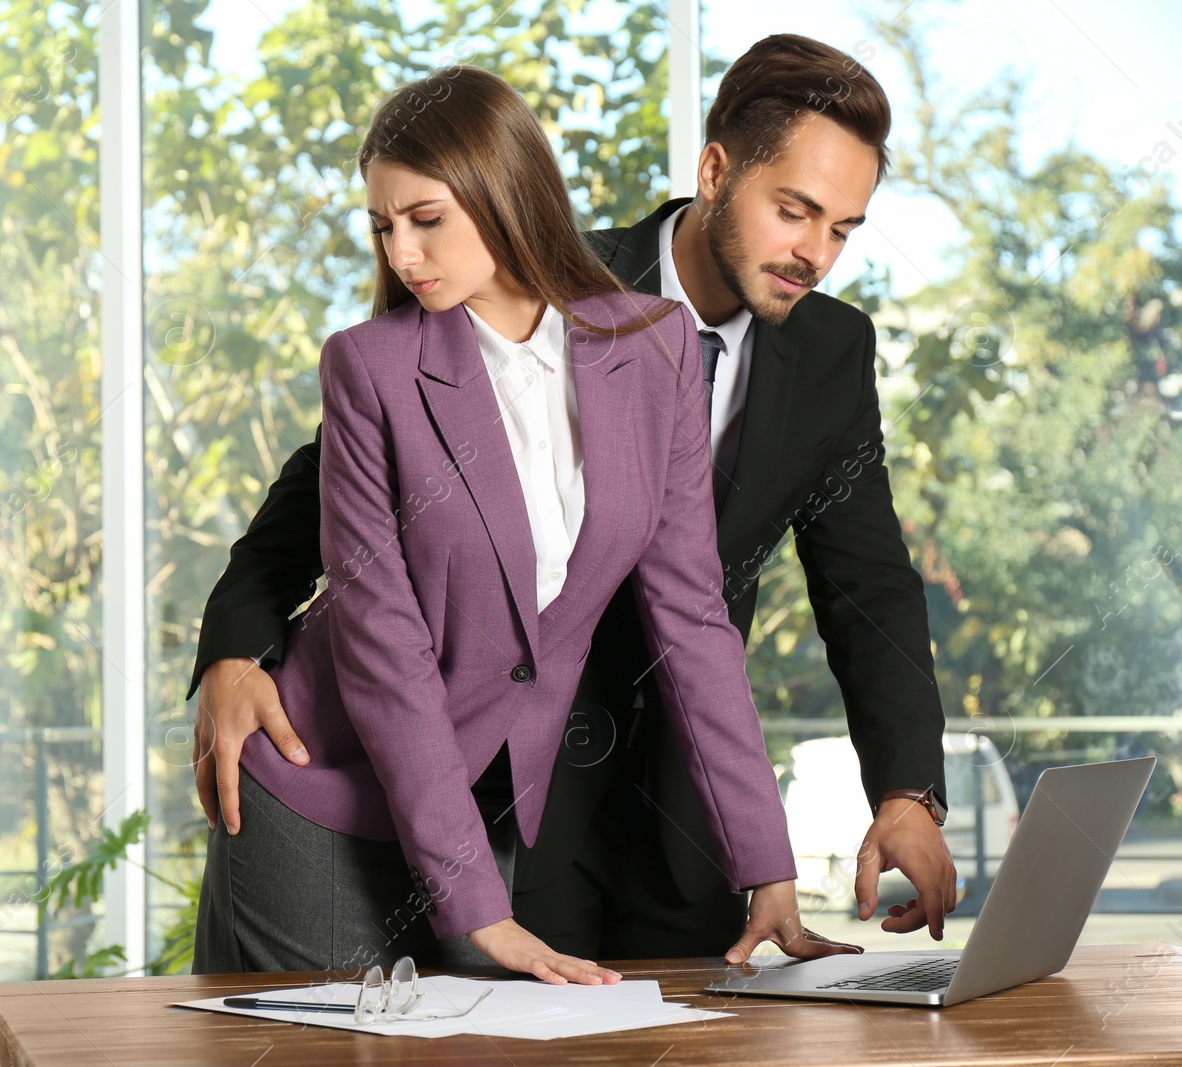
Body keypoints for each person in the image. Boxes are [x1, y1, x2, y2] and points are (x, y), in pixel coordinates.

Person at [191, 34, 957, 965]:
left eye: (842, 228)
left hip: (613, 805)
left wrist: (810, 841)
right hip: (385, 781)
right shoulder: (433, 324)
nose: (817, 253)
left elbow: (811, 593)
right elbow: (338, 553)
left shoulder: (701, 345)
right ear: (716, 171)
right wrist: (236, 646)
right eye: (795, 211)